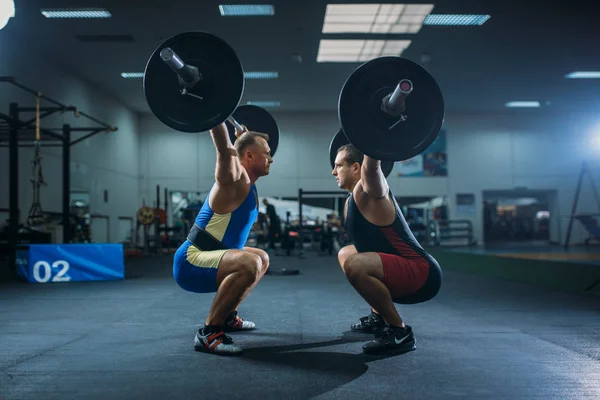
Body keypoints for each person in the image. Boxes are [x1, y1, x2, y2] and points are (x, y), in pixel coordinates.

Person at [173, 122, 273, 356]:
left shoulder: (250, 185)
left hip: (214, 257)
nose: (271, 158)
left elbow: (235, 147)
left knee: (261, 257)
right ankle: (209, 333)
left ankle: (228, 317)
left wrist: (242, 135)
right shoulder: (233, 179)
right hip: (191, 261)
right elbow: (223, 149)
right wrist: (215, 114)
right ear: (248, 155)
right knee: (250, 263)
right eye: (267, 153)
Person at [332, 144, 442, 356]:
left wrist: (372, 137)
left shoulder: (371, 190)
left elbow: (372, 168)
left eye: (338, 166)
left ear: (356, 168)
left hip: (422, 273)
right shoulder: (350, 200)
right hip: (401, 270)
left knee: (355, 264)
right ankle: (379, 318)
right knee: (346, 254)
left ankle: (400, 331)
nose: (333, 171)